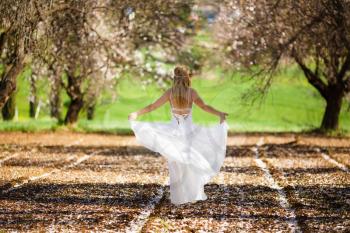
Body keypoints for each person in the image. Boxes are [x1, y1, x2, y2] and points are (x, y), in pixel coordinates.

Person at [128, 66, 229, 205]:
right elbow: (205, 107)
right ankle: (192, 194)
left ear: (174, 79)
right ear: (187, 77)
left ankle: (178, 197)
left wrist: (136, 113)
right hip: (188, 134)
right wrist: (219, 113)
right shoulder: (191, 93)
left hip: (174, 132)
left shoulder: (170, 93)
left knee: (175, 163)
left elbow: (152, 106)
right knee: (189, 163)